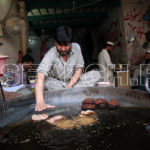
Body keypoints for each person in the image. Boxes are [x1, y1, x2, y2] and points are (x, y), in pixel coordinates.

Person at [35, 26, 101, 111]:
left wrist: (69, 86)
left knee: (96, 74)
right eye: (60, 45)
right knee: (46, 81)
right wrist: (40, 102)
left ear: (71, 43)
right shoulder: (51, 53)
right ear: (55, 43)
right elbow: (40, 75)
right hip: (58, 84)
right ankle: (75, 93)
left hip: (74, 83)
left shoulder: (76, 47)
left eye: (66, 45)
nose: (63, 49)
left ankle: (67, 93)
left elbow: (79, 69)